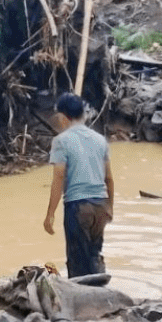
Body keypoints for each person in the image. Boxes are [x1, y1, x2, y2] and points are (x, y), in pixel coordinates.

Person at [42, 92, 114, 278]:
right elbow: (109, 178)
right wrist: (110, 207)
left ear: (63, 118)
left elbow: (59, 178)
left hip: (78, 207)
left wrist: (50, 214)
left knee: (77, 264)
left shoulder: (61, 141)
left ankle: (81, 294)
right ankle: (101, 291)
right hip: (100, 205)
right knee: (94, 257)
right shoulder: (100, 140)